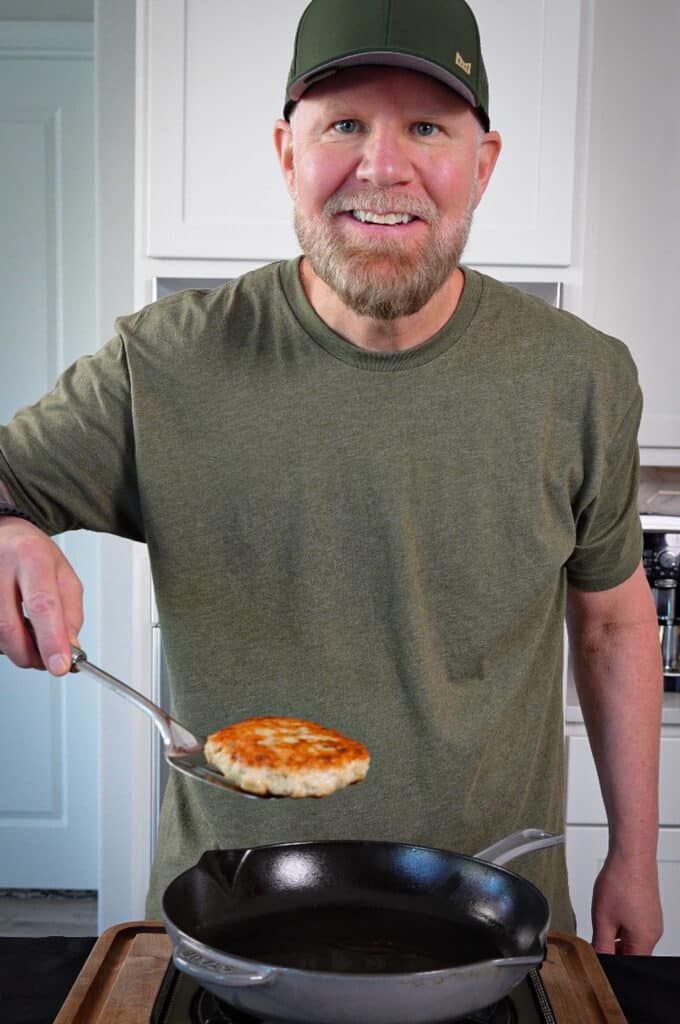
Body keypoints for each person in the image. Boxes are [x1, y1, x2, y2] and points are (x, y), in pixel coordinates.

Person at [0, 0, 663, 953]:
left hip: (495, 911)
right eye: (344, 123)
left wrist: (633, 856)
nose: (381, 167)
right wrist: (12, 529)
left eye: (427, 126)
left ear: (484, 162)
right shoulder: (163, 363)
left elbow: (611, 621)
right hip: (228, 919)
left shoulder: (584, 378)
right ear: (286, 152)